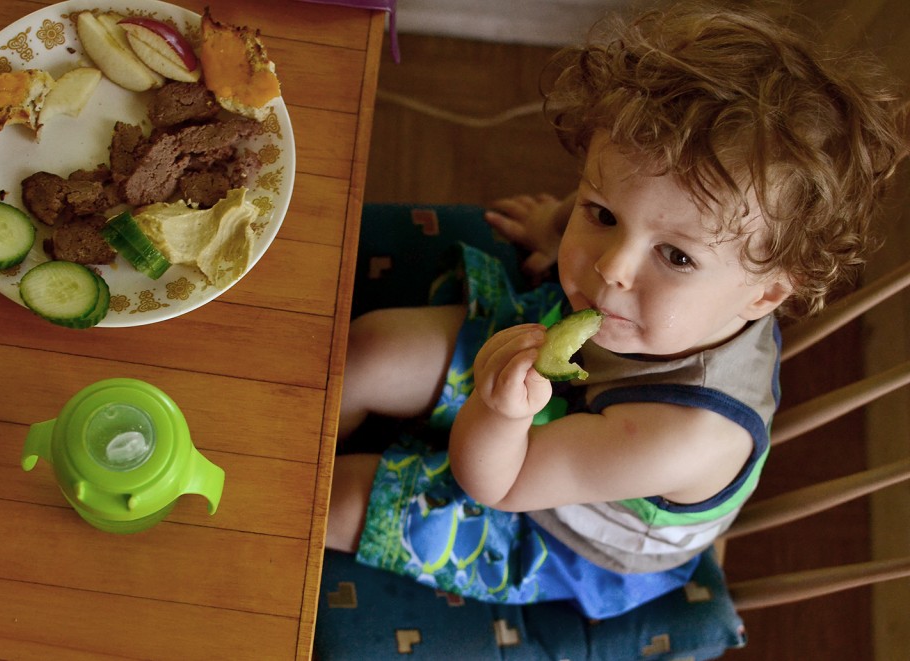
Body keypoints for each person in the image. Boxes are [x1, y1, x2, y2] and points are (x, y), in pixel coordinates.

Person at [327, 2, 908, 619]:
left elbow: (498, 483)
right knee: (369, 350)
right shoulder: (670, 286)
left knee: (340, 501)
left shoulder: (683, 438)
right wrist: (557, 226)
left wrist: (498, 413)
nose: (610, 268)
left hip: (557, 519)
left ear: (765, 295)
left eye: (676, 258)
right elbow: (620, 210)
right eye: (602, 215)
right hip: (562, 370)